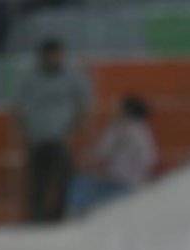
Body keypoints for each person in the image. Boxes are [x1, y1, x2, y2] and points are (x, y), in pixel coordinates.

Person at [14, 39, 91, 223]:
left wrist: (72, 133)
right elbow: (17, 109)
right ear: (43, 57)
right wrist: (24, 135)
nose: (55, 59)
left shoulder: (72, 77)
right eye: (51, 56)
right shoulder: (29, 78)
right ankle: (36, 220)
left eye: (58, 55)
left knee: (63, 181)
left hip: (60, 139)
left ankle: (58, 219)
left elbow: (82, 106)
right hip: (36, 140)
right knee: (36, 183)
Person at [67, 95, 158, 217]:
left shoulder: (140, 131)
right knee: (80, 183)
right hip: (110, 179)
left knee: (85, 191)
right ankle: (77, 215)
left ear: (127, 110)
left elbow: (149, 159)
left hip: (126, 184)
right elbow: (99, 154)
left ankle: (78, 216)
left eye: (118, 107)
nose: (113, 109)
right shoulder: (115, 128)